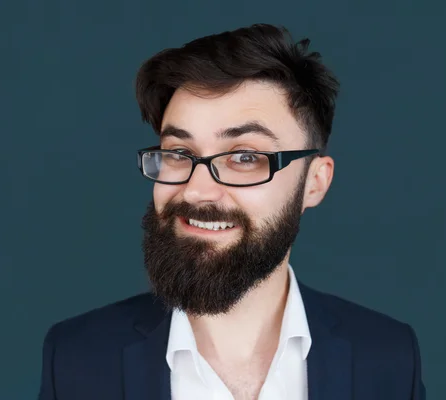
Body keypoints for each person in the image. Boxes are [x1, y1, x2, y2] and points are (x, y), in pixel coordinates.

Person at [38, 24, 425, 400]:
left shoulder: (388, 358)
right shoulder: (76, 359)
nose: (197, 190)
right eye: (178, 154)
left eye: (245, 157)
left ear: (314, 183)